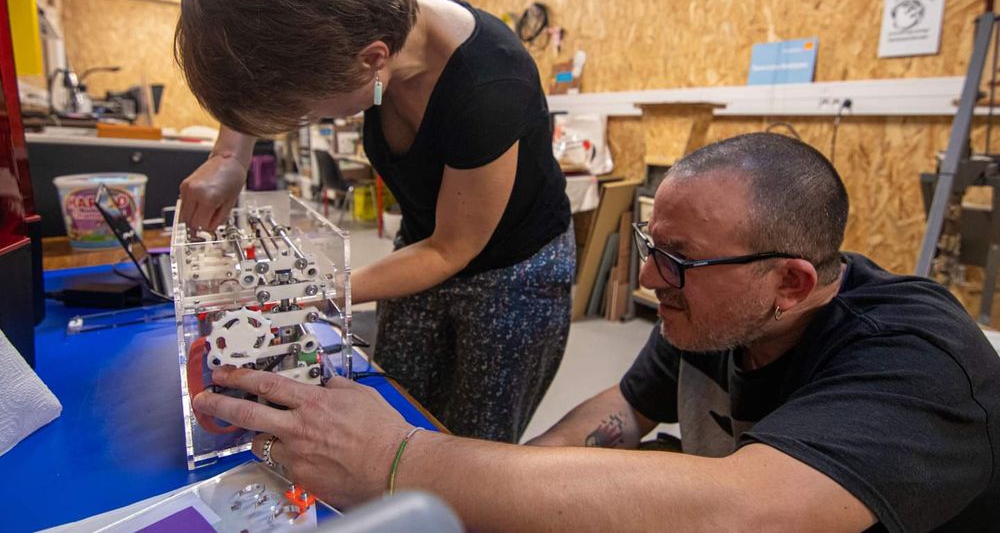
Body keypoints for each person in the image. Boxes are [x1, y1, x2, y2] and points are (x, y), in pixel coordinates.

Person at [193, 133, 1000, 531]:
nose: (649, 279)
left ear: (789, 282)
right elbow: (621, 408)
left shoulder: (917, 359)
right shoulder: (721, 304)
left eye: (678, 260)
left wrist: (398, 457)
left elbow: (746, 510)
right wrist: (492, 487)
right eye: (652, 247)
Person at [174, 0, 573, 442]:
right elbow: (263, 47)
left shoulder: (490, 85)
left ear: (372, 62)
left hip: (513, 272)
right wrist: (228, 153)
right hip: (425, 241)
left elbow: (451, 248)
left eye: (308, 114)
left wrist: (315, 290)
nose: (308, 123)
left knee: (468, 447)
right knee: (394, 405)